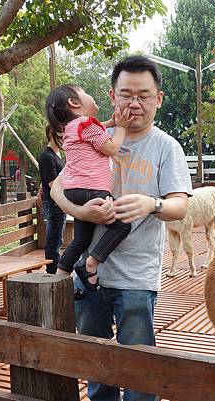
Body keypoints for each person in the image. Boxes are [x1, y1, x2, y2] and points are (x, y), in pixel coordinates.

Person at [50, 55, 192, 401]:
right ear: (112, 97)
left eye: (144, 95)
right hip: (87, 279)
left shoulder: (166, 148)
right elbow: (56, 188)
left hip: (137, 279)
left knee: (140, 370)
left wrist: (151, 204)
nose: (135, 103)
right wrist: (80, 209)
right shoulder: (92, 135)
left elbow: (180, 205)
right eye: (126, 94)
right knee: (98, 370)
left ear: (158, 98)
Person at [46, 84, 135, 291]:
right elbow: (111, 148)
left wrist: (110, 123)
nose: (90, 94)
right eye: (84, 91)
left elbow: (93, 131)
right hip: (93, 189)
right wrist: (120, 127)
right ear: (74, 103)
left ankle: (60, 280)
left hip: (74, 191)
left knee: (81, 240)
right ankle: (91, 265)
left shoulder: (71, 128)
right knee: (123, 225)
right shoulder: (87, 124)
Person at [38, 125, 66, 274]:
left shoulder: (57, 154)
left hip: (59, 203)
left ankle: (54, 269)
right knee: (54, 240)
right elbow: (52, 183)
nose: (62, 137)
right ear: (50, 134)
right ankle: (52, 271)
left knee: (57, 239)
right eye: (59, 134)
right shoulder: (47, 156)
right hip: (54, 203)